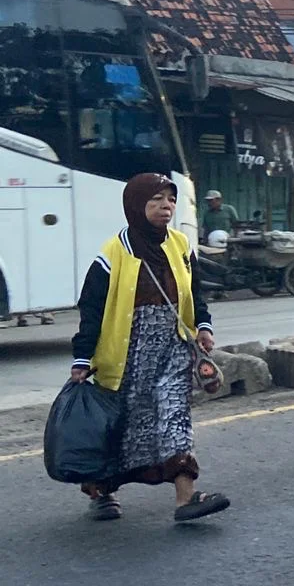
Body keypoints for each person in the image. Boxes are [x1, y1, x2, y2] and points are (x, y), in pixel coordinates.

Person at [70, 173, 230, 523]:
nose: (166, 206)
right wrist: (82, 357)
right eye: (156, 199)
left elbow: (194, 293)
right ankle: (102, 492)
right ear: (135, 204)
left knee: (175, 414)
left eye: (170, 199)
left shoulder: (180, 245)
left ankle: (186, 497)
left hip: (173, 350)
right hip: (126, 358)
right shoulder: (114, 253)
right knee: (119, 426)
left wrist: (203, 325)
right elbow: (92, 308)